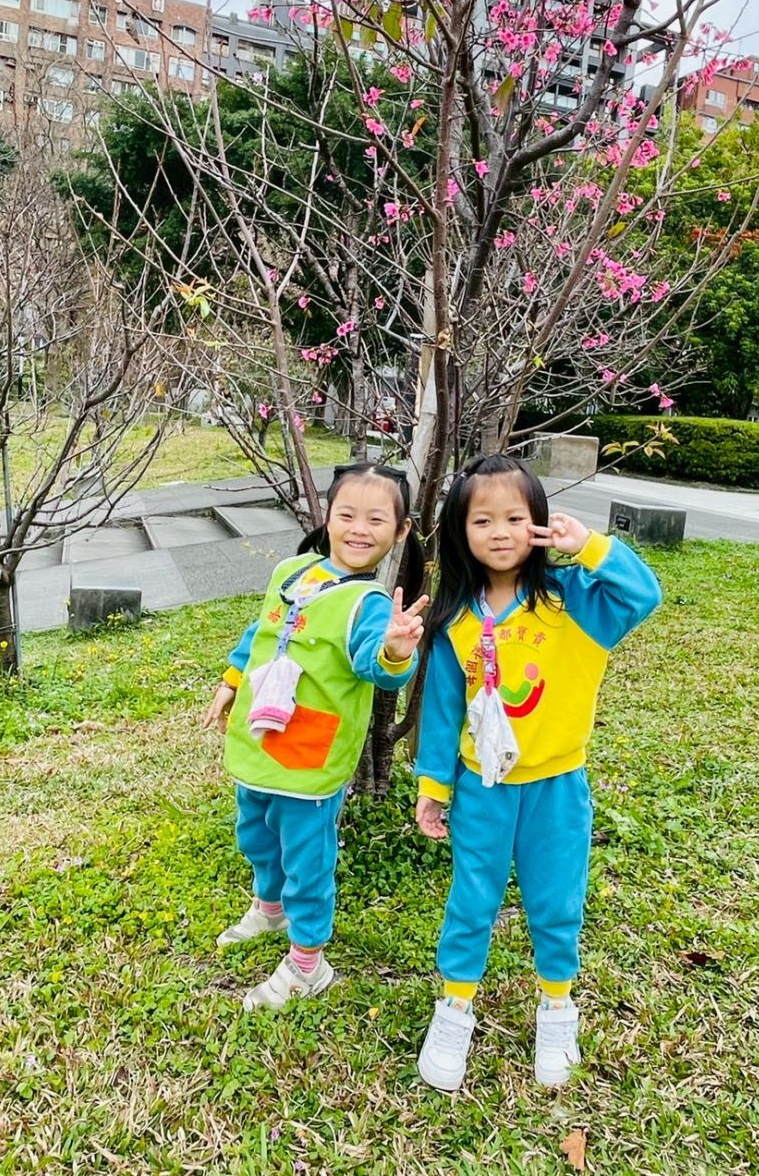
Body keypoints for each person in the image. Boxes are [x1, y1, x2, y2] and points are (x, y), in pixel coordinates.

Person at [413, 453, 662, 1091]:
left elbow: (645, 595)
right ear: (460, 531)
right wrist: (434, 787)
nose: (499, 532)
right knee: (472, 900)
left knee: (555, 901)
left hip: (557, 788)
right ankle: (455, 1008)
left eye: (515, 518)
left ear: (540, 522)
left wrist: (591, 547)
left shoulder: (573, 599)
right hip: (482, 790)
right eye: (482, 520)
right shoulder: (455, 618)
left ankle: (557, 1006)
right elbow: (442, 711)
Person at [205, 463, 428, 1011]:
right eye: (347, 514)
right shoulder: (292, 571)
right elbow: (259, 633)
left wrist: (395, 650)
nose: (359, 529)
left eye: (377, 519)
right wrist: (232, 680)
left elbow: (379, 666)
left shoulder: (369, 605)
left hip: (310, 756)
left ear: (400, 531)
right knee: (255, 833)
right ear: (328, 517)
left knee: (307, 858)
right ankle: (270, 907)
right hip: (260, 738)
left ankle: (308, 962)